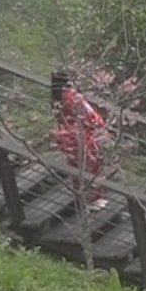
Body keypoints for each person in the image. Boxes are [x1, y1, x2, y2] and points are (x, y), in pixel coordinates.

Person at [51, 70, 109, 212]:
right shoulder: (73, 97)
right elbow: (89, 115)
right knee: (91, 166)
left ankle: (82, 197)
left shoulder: (55, 97)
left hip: (66, 135)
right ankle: (93, 199)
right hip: (81, 136)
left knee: (76, 167)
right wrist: (100, 124)